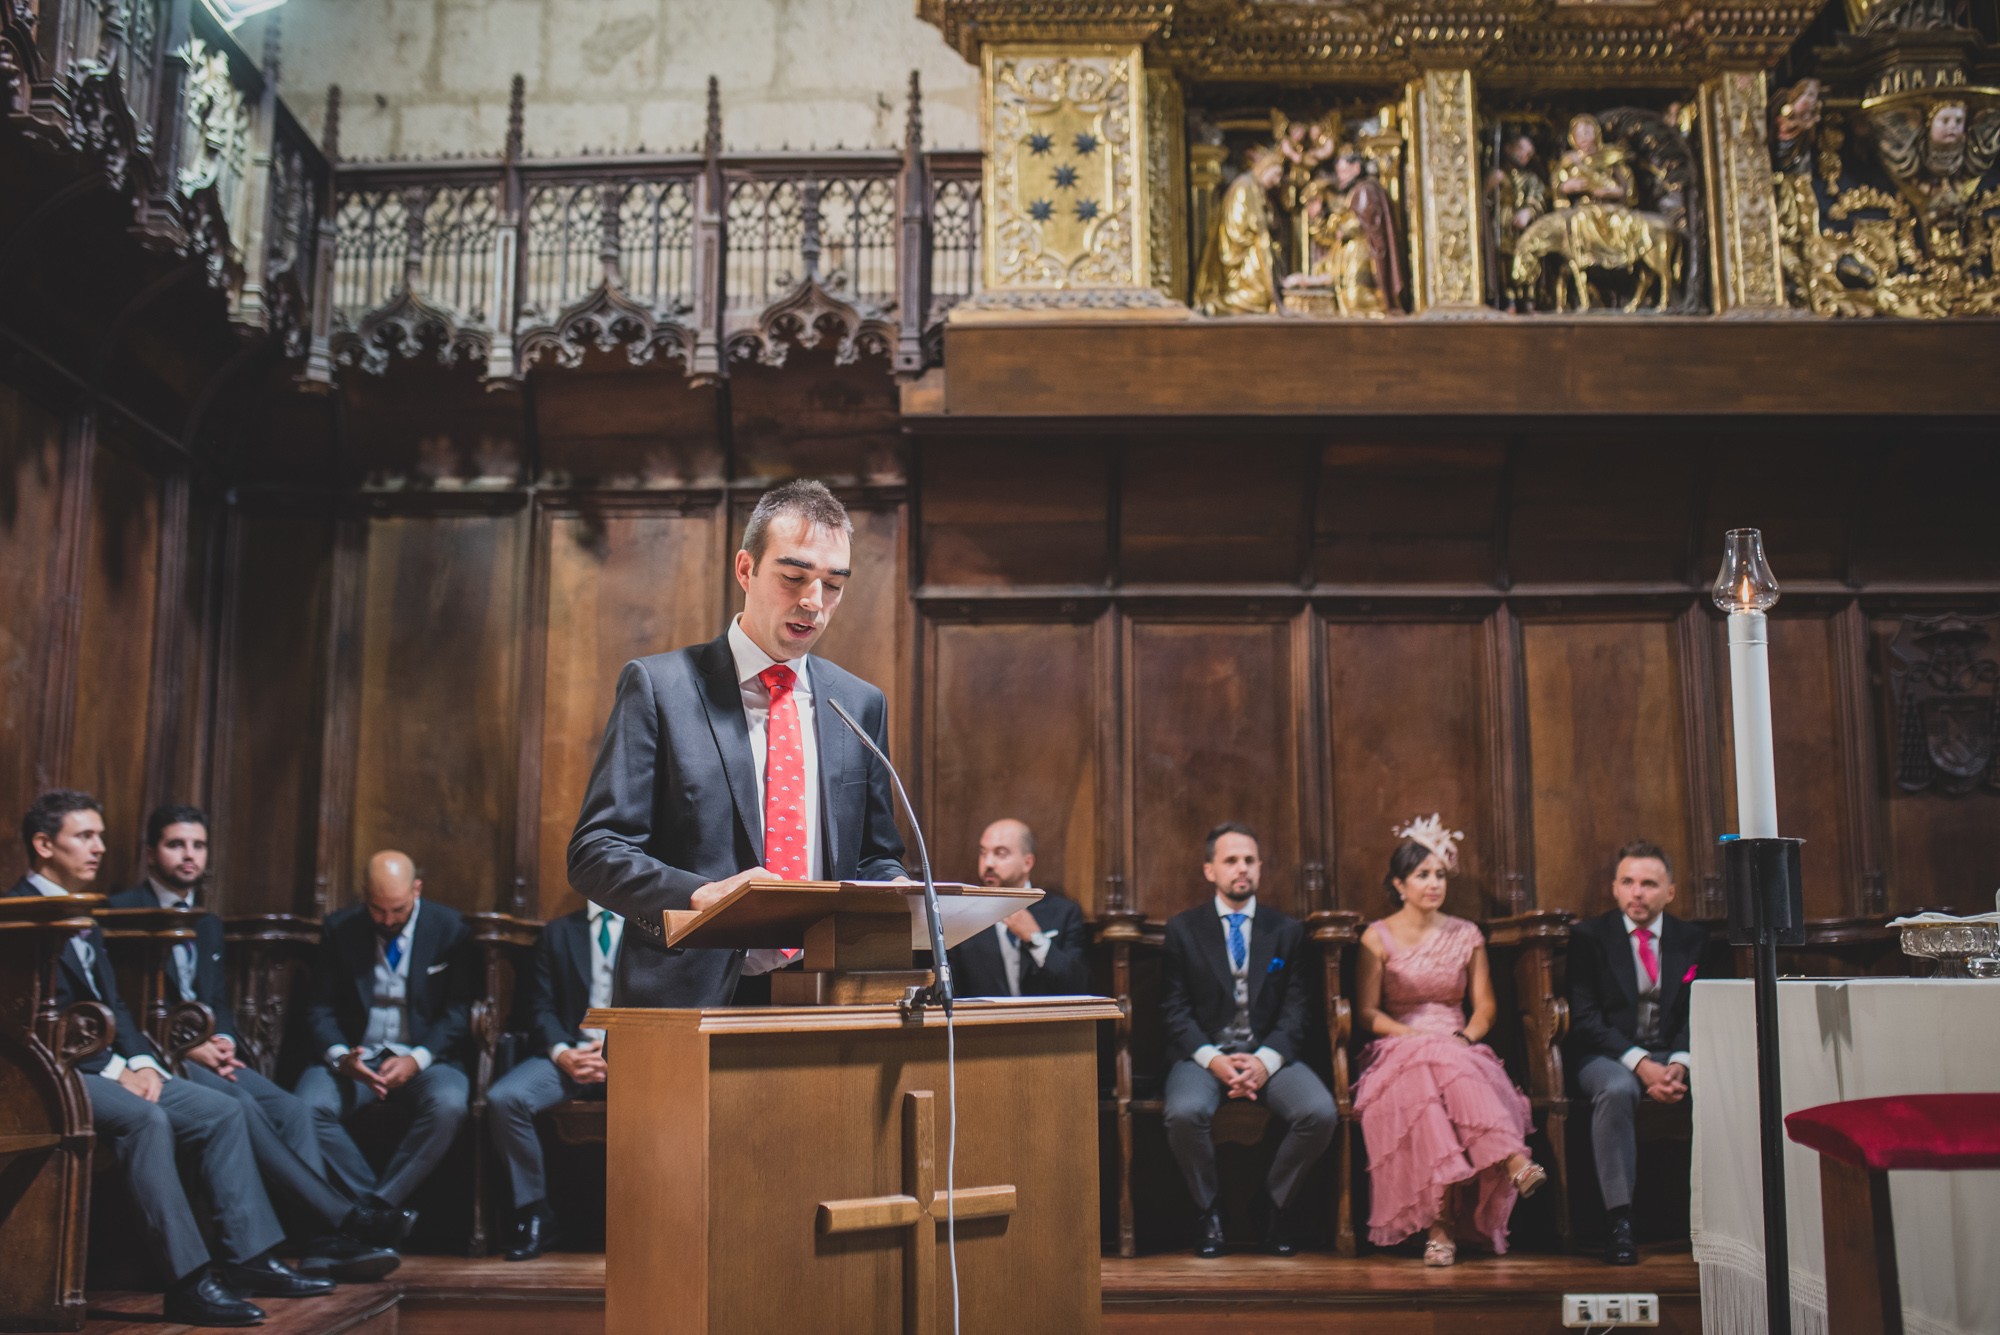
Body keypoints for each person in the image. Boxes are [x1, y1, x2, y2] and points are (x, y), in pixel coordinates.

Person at [568, 479, 908, 1007]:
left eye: (834, 585)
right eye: (794, 577)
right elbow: (596, 852)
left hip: (824, 995)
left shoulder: (858, 704)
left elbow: (874, 856)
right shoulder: (661, 688)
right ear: (746, 569)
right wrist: (697, 895)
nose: (814, 603)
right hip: (689, 996)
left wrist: (898, 893)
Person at [7, 791, 331, 1326]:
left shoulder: (84, 912)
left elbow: (114, 1009)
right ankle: (188, 1281)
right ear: (44, 844)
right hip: (50, 1077)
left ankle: (249, 1258)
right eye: (84, 836)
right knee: (147, 1120)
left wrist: (144, 1065)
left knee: (222, 1111)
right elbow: (29, 1029)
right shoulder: (18, 915)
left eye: (101, 836)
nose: (99, 848)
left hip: (107, 1067)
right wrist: (117, 1071)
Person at [107, 806, 407, 1280]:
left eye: (198, 846)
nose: (189, 856)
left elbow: (216, 1001)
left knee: (294, 1110)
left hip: (212, 1054)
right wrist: (185, 1048)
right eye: (176, 844)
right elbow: (119, 1006)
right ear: (150, 854)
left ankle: (320, 1246)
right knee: (240, 1106)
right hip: (157, 1059)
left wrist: (222, 1040)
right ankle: (331, 1226)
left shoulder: (207, 920)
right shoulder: (120, 913)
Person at [1353, 815, 1544, 1266]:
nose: (1433, 883)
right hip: (1398, 1044)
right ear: (1399, 883)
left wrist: (1462, 1037)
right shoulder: (1376, 936)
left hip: (1459, 1043)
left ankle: (1443, 1230)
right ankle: (1509, 1163)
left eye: (1440, 874)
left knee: (1451, 1071)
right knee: (1420, 1083)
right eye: (1422, 875)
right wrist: (1414, 1035)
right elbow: (1366, 1012)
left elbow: (1486, 1008)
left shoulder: (1466, 933)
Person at [1160, 822, 1337, 1258]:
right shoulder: (1183, 929)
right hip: (1202, 1056)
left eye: (1249, 860)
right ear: (1209, 870)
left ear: (1259, 867)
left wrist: (1264, 1062)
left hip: (1269, 1054)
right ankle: (1209, 1212)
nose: (1242, 868)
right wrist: (1212, 1060)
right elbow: (1174, 1010)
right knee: (1184, 1113)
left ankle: (1273, 1207)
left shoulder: (1286, 931)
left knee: (1319, 1113)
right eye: (1231, 860)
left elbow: (1298, 1011)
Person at [294, 850, 473, 1214]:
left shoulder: (451, 929)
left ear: (416, 890)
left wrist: (417, 1059)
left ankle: (379, 1205)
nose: (388, 920)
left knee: (450, 1105)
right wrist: (342, 1056)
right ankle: (372, 1211)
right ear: (364, 895)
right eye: (378, 910)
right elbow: (320, 1009)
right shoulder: (339, 929)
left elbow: (458, 1013)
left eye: (398, 909)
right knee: (306, 1107)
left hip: (426, 1057)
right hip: (355, 1057)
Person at [1565, 840, 1705, 1265]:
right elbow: (1585, 1019)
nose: (1637, 893)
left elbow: (1700, 1007)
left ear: (1670, 892)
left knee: (1730, 1080)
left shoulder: (1693, 939)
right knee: (1617, 1089)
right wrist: (1640, 1063)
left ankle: (1720, 1218)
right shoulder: (1589, 938)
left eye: (1648, 883)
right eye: (1628, 882)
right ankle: (1620, 1219)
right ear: (1614, 887)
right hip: (1605, 1057)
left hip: (1674, 1053)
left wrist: (1680, 1062)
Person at [486, 901, 621, 1260]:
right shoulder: (558, 932)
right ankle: (535, 1214)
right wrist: (561, 1052)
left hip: (633, 1055)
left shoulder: (651, 928)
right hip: (569, 1055)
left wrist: (619, 1054)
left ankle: (650, 1221)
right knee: (506, 1098)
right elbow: (539, 1005)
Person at [946, 818, 1088, 998]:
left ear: (1027, 863)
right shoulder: (963, 919)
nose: (988, 863)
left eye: (1001, 853)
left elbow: (1079, 984)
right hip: (983, 1023)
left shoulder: (1064, 913)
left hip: (1047, 1023)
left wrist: (1036, 939)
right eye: (983, 853)